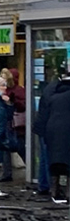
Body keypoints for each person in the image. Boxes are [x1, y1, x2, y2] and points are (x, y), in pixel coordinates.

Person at [34, 68, 70, 203]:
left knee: (48, 159)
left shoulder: (52, 90)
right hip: (57, 129)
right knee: (59, 161)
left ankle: (48, 187)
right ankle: (55, 189)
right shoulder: (60, 92)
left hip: (49, 128)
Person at [0, 67, 26, 182]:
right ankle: (7, 173)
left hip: (16, 125)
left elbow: (22, 106)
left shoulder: (19, 90)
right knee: (6, 148)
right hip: (6, 123)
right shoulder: (4, 90)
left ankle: (31, 169)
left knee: (20, 147)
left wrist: (11, 101)